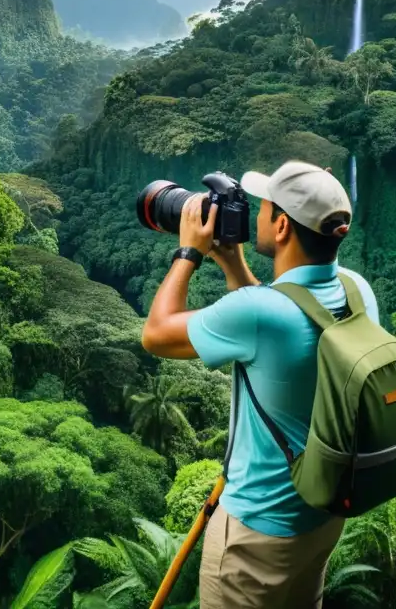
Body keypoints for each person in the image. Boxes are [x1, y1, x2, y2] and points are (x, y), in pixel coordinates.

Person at [141, 160, 382, 609]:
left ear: (284, 226)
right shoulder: (356, 291)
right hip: (322, 513)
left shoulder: (258, 313)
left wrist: (189, 252)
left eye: (264, 206)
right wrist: (233, 263)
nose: (255, 214)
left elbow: (156, 333)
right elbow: (283, 314)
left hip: (255, 533)